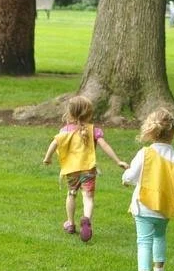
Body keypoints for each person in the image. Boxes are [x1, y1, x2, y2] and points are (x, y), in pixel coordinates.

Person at [122, 108, 174, 271]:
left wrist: (125, 177)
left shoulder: (145, 153)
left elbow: (131, 175)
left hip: (143, 205)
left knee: (144, 241)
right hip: (164, 207)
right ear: (172, 133)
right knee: (160, 237)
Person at [42, 95, 127, 242]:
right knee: (88, 197)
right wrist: (118, 161)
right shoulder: (93, 130)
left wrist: (47, 158)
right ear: (89, 114)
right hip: (88, 169)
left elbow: (54, 143)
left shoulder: (65, 130)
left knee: (71, 194)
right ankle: (86, 218)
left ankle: (70, 223)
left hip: (72, 170)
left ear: (70, 113)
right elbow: (104, 145)